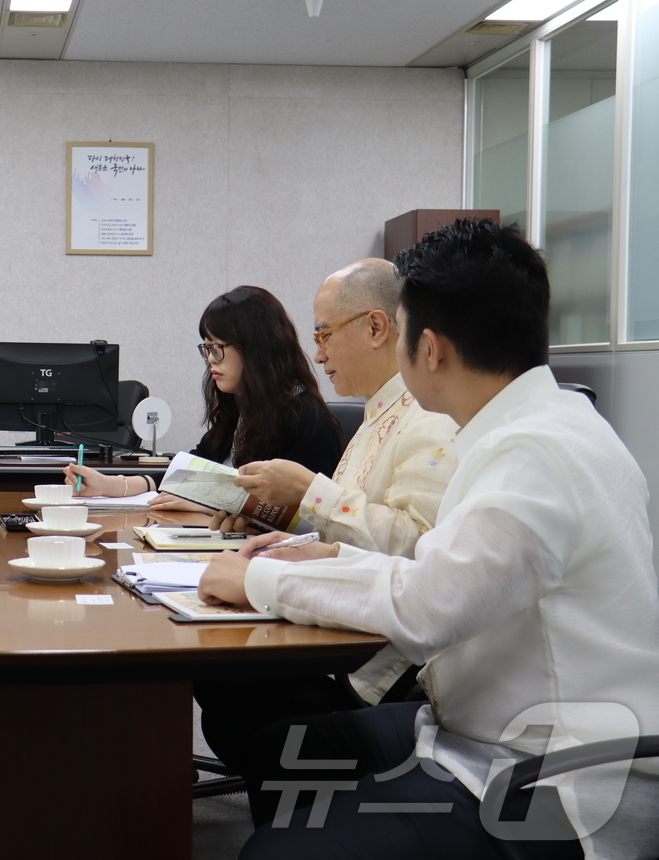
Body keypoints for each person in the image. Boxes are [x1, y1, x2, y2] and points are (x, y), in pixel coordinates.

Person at [199, 219, 659, 860]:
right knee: (285, 750)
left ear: (431, 348)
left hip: (548, 781)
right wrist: (327, 556)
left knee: (272, 852)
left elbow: (425, 607)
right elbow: (434, 565)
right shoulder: (544, 425)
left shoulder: (534, 452)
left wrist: (257, 578)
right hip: (480, 731)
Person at [193, 259, 460, 783]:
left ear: (377, 327)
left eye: (325, 335)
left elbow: (418, 551)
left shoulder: (427, 417)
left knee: (237, 695)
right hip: (345, 626)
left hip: (378, 660)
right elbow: (341, 535)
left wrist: (308, 493)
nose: (317, 354)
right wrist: (281, 540)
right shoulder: (373, 415)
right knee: (220, 678)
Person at [65, 285, 342, 502]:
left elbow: (305, 519)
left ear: (256, 349)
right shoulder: (242, 408)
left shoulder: (308, 420)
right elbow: (194, 468)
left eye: (216, 347)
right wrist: (113, 484)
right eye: (206, 348)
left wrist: (207, 503)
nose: (210, 358)